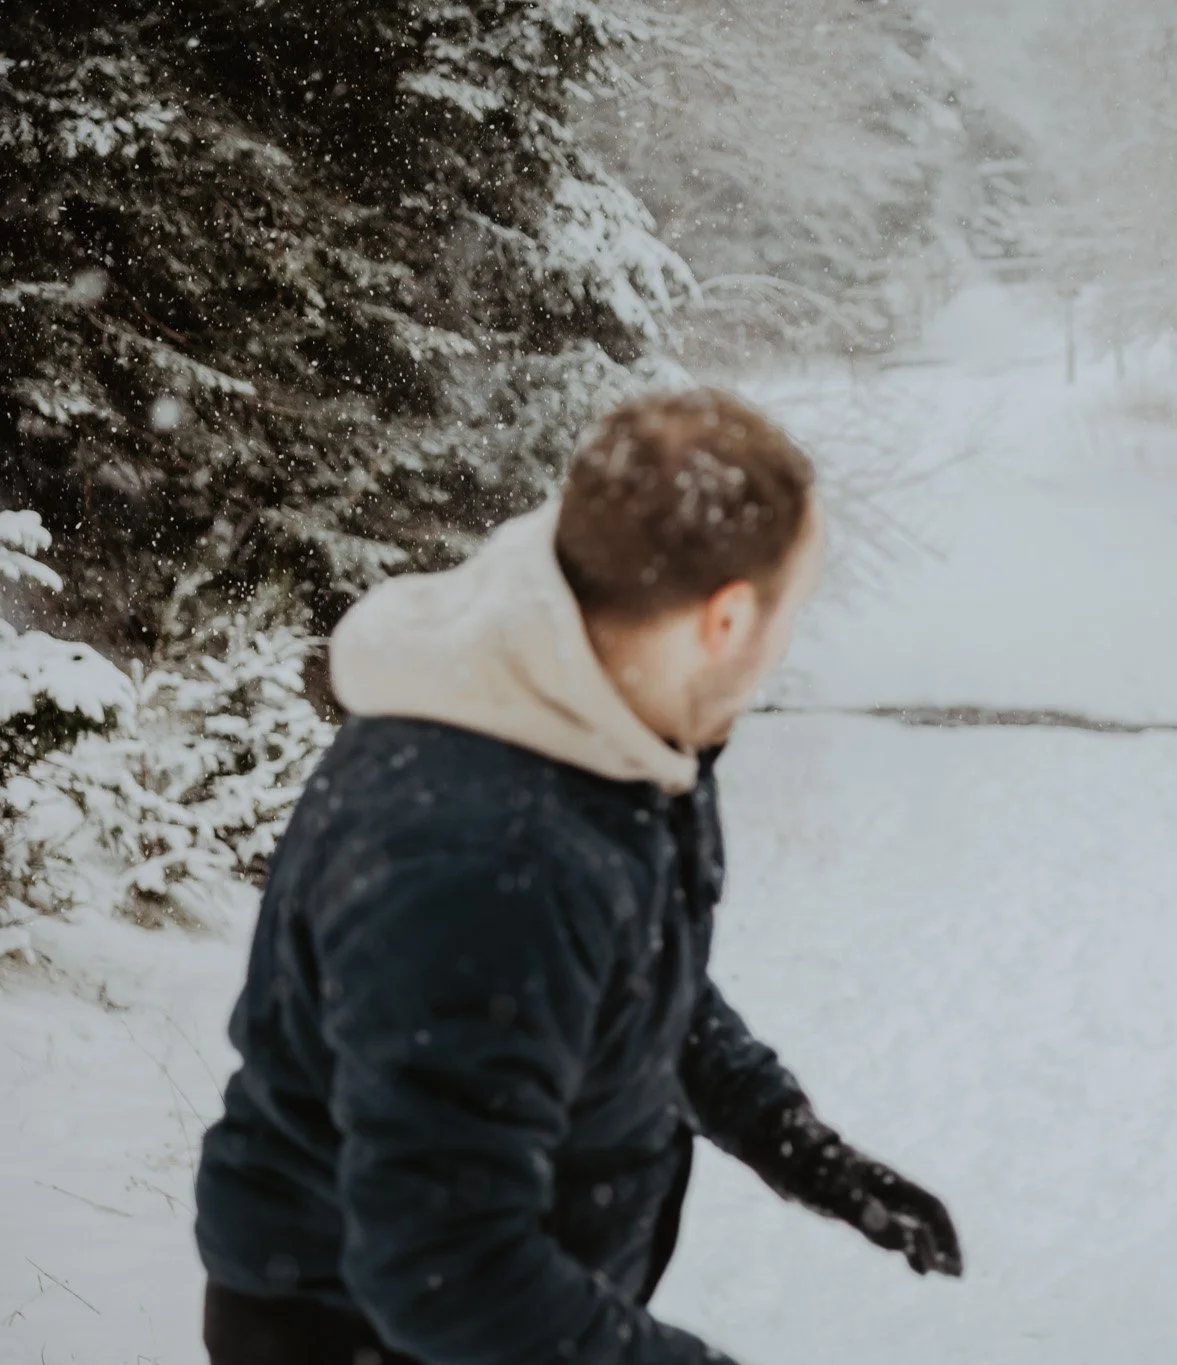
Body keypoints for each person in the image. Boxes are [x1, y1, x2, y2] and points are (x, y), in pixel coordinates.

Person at [193, 390, 963, 1365]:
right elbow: (449, 1270)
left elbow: (625, 972)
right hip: (372, 1338)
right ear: (726, 619)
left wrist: (789, 1139)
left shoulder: (598, 712)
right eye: (790, 611)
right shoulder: (485, 860)